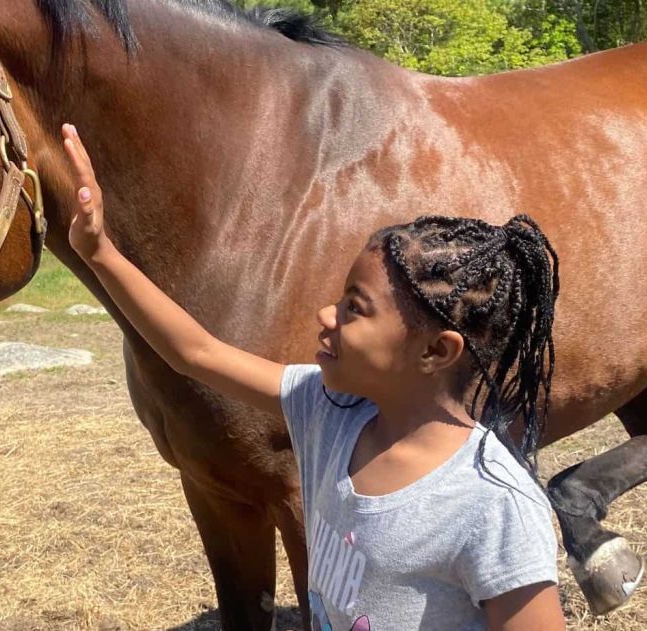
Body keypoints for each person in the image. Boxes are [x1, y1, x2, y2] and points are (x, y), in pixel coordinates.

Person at [60, 123, 565, 630]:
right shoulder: (327, 412)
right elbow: (196, 352)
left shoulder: (494, 505)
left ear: (435, 350)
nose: (327, 316)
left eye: (355, 308)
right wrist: (99, 251)